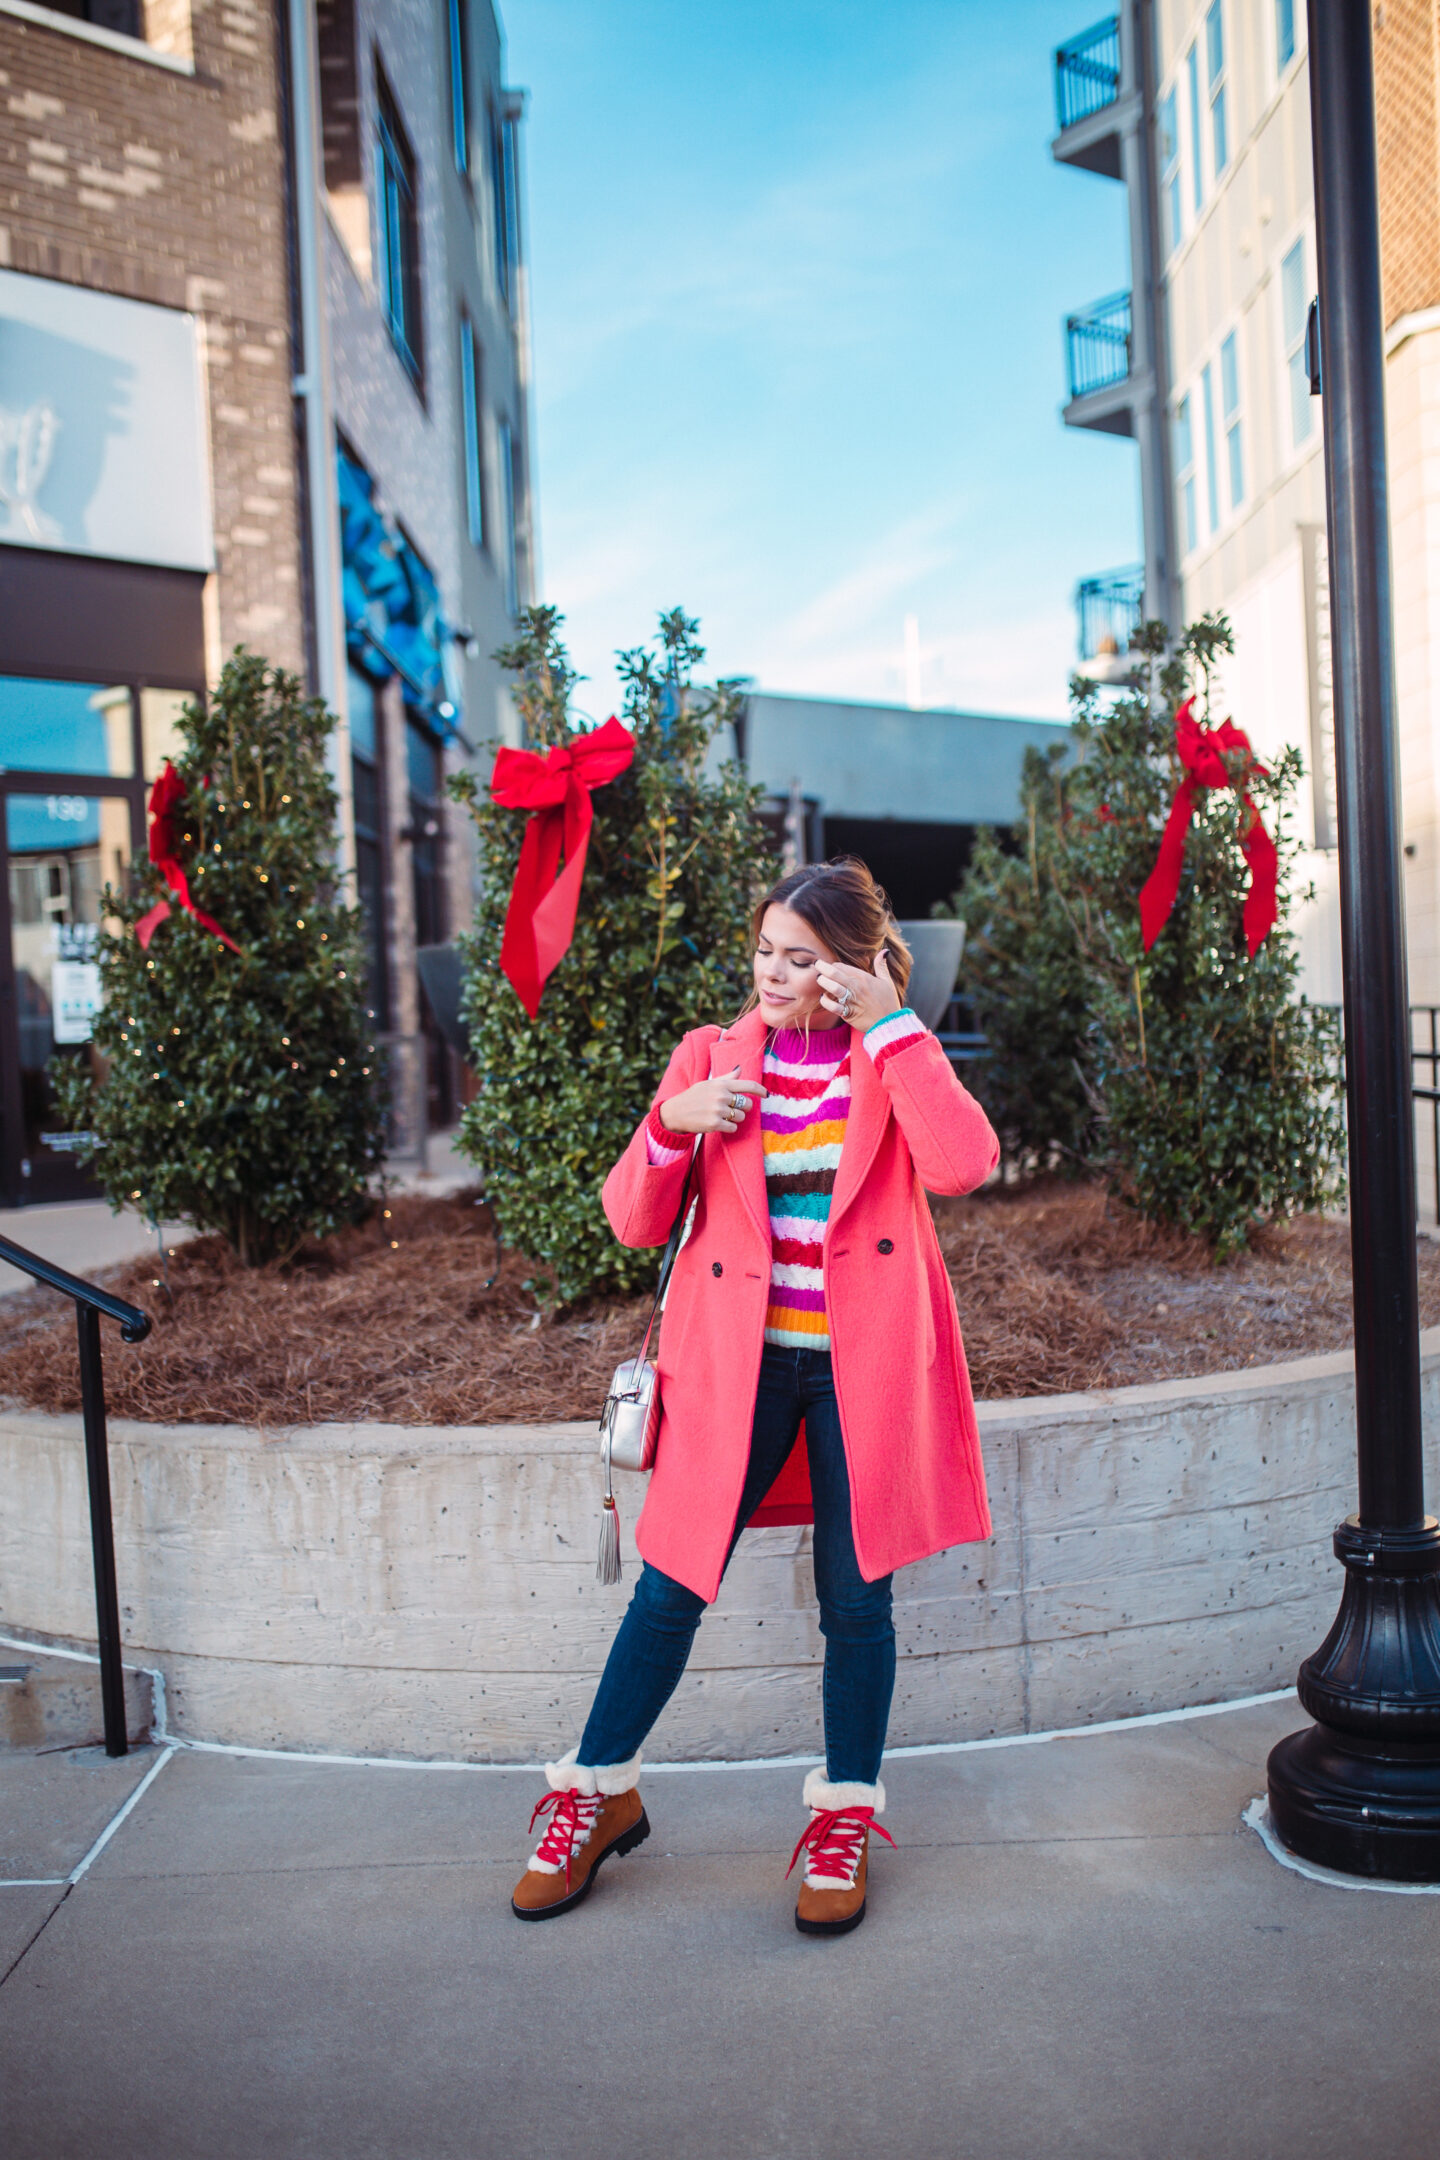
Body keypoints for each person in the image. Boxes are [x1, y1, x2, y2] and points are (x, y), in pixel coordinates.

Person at [511, 858, 999, 1935]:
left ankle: (843, 1821)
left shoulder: (888, 1056)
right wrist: (671, 1123)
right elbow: (633, 1222)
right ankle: (592, 1792)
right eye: (765, 951)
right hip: (739, 1369)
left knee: (856, 1601)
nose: (772, 974)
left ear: (854, 968)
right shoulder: (712, 1057)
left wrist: (895, 1026)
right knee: (668, 1586)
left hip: (857, 1371)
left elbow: (965, 1163)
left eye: (801, 958)